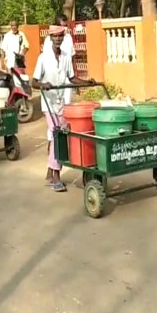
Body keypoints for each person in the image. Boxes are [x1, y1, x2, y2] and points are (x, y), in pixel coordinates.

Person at [32, 24, 94, 192]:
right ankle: (56, 176)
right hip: (49, 103)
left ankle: (49, 172)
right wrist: (43, 85)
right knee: (56, 134)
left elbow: (72, 78)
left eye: (61, 36)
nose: (58, 39)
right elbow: (34, 82)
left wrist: (87, 82)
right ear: (50, 38)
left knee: (60, 136)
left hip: (62, 103)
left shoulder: (66, 56)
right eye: (55, 37)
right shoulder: (43, 58)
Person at [43, 15, 76, 104]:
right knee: (55, 104)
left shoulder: (69, 37)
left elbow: (72, 56)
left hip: (67, 77)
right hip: (54, 77)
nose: (65, 28)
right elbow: (46, 59)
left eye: (66, 26)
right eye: (62, 26)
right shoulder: (49, 40)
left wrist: (75, 76)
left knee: (67, 103)